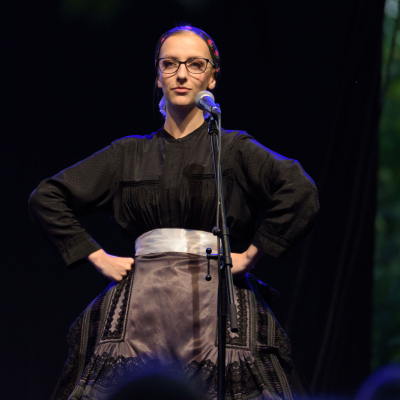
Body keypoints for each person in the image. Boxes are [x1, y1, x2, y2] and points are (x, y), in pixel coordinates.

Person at [29, 24, 319, 400]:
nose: (182, 74)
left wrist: (251, 255)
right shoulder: (129, 154)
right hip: (141, 307)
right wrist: (97, 257)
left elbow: (300, 191)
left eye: (195, 64)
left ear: (212, 77)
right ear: (158, 76)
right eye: (170, 64)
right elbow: (47, 196)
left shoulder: (233, 149)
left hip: (217, 301)